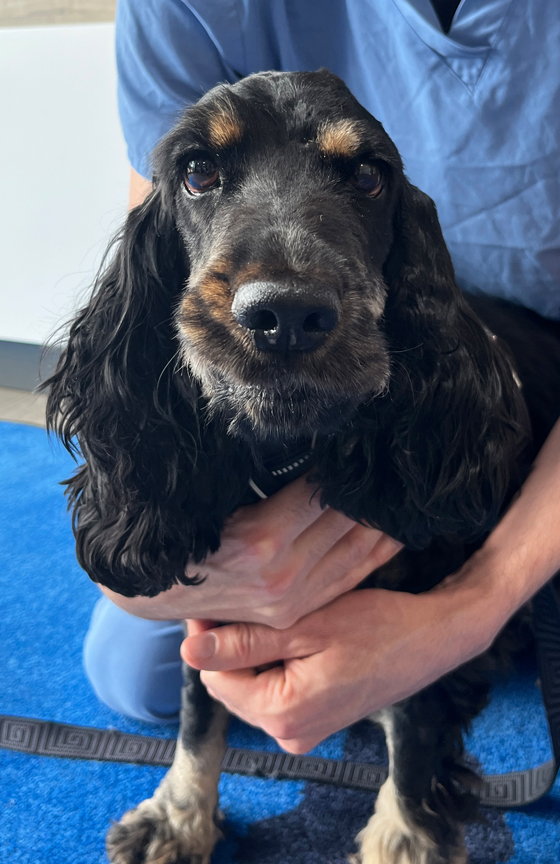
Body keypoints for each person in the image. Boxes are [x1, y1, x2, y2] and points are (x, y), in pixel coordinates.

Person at [84, 0, 560, 753]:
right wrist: (183, 580)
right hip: (276, 381)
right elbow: (160, 279)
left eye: (361, 178)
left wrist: (470, 609)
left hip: (482, 356)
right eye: (205, 171)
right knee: (132, 669)